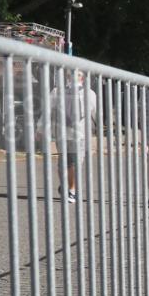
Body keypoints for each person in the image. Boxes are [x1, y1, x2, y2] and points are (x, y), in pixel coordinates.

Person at [51, 69, 97, 203]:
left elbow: (94, 113)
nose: (73, 77)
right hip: (63, 133)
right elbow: (48, 110)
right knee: (64, 162)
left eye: (77, 74)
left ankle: (71, 190)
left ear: (82, 78)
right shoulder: (57, 91)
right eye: (71, 74)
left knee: (75, 161)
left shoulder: (89, 93)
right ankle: (67, 186)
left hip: (80, 133)